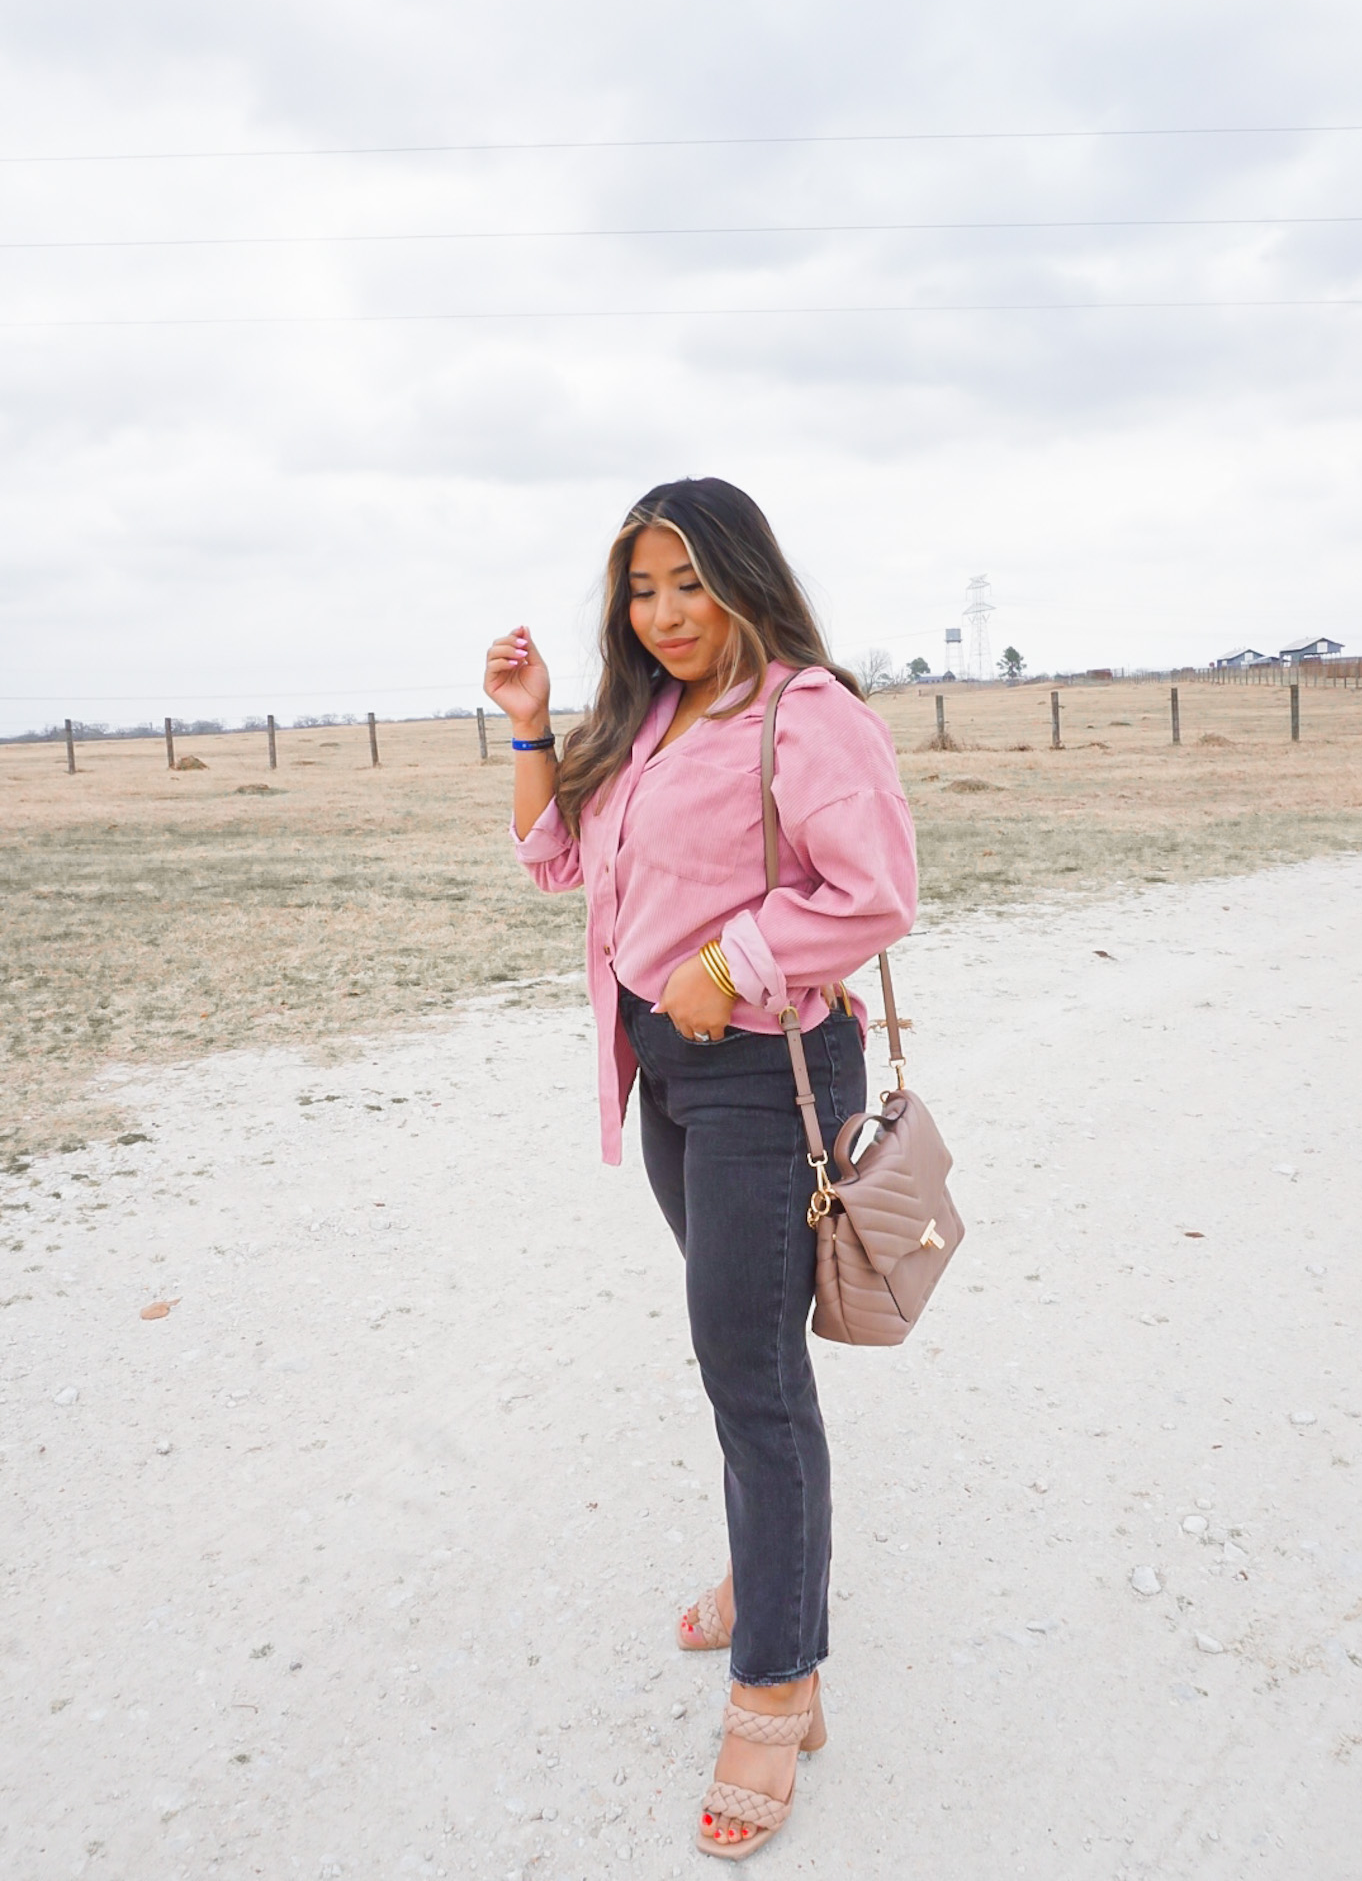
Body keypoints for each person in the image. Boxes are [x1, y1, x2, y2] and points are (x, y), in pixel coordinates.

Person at [483, 478, 917, 1861]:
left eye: (688, 582)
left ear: (743, 577)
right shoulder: (653, 717)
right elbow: (559, 867)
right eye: (641, 588)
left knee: (751, 1368)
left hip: (763, 1072)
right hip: (669, 1073)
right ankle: (771, 1564)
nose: (664, 614)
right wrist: (533, 727)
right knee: (740, 1350)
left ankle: (779, 1685)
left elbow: (874, 893)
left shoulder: (807, 714)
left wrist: (729, 962)